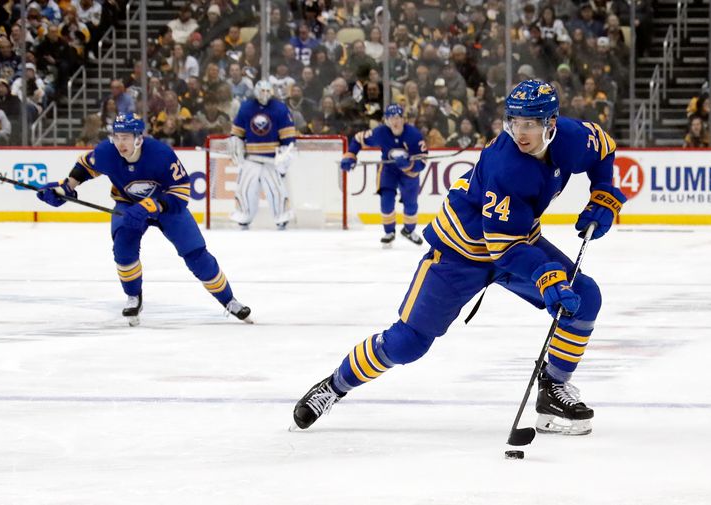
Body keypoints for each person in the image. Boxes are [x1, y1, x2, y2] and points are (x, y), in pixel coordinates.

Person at [293, 80, 627, 436]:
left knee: (585, 298)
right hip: (459, 252)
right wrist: (546, 275)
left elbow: (603, 149)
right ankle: (334, 386)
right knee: (408, 343)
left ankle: (553, 391)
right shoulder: (507, 166)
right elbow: (504, 250)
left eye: (530, 124)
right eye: (514, 122)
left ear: (551, 123)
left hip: (515, 242)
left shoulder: (572, 138)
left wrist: (603, 191)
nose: (520, 133)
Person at [35, 113, 252, 326]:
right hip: (128, 206)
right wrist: (66, 187)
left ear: (139, 138)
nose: (121, 143)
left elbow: (181, 190)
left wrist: (153, 205)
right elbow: (85, 166)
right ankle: (133, 297)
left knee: (196, 254)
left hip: (166, 207)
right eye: (117, 137)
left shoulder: (161, 154)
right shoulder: (106, 152)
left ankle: (229, 300)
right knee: (123, 249)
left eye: (126, 137)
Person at [340, 104, 428, 247]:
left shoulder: (414, 134)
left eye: (398, 117)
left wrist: (408, 165)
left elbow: (423, 159)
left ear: (403, 119)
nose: (395, 121)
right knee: (386, 200)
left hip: (409, 173)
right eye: (391, 117)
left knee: (411, 204)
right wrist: (350, 156)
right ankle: (389, 232)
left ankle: (409, 230)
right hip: (389, 170)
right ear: (386, 120)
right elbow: (357, 139)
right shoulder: (380, 132)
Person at [229, 80, 297, 230]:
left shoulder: (280, 108)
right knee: (245, 188)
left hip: (272, 159)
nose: (264, 94)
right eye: (262, 91)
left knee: (276, 190)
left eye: (267, 91)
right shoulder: (246, 107)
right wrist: (236, 144)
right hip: (251, 158)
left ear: (271, 92)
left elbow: (288, 137)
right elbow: (237, 133)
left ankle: (281, 216)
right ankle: (243, 215)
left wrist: (285, 155)